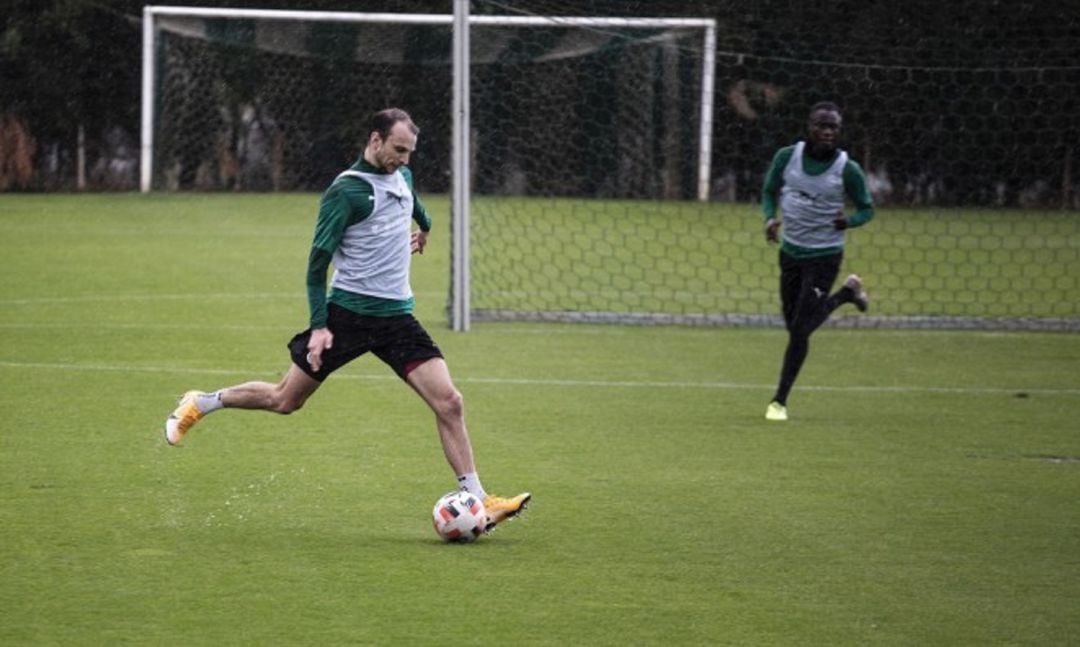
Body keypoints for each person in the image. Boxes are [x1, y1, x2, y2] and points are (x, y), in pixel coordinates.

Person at [163, 108, 530, 532]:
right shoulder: (346, 192)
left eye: (410, 152)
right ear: (375, 140)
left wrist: (424, 227)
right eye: (398, 150)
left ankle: (481, 501)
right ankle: (202, 403)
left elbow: (414, 203)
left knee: (450, 402)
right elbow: (316, 265)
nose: (404, 160)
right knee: (286, 400)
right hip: (346, 317)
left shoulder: (403, 177)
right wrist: (320, 326)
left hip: (397, 319)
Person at [760, 101, 875, 421]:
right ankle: (847, 294)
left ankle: (779, 401)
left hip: (825, 256)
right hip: (791, 253)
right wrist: (770, 219)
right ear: (809, 127)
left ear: (839, 132)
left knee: (799, 330)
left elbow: (867, 208)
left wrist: (848, 222)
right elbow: (769, 191)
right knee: (793, 323)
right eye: (821, 126)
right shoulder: (787, 157)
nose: (827, 132)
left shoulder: (846, 169)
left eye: (833, 127)